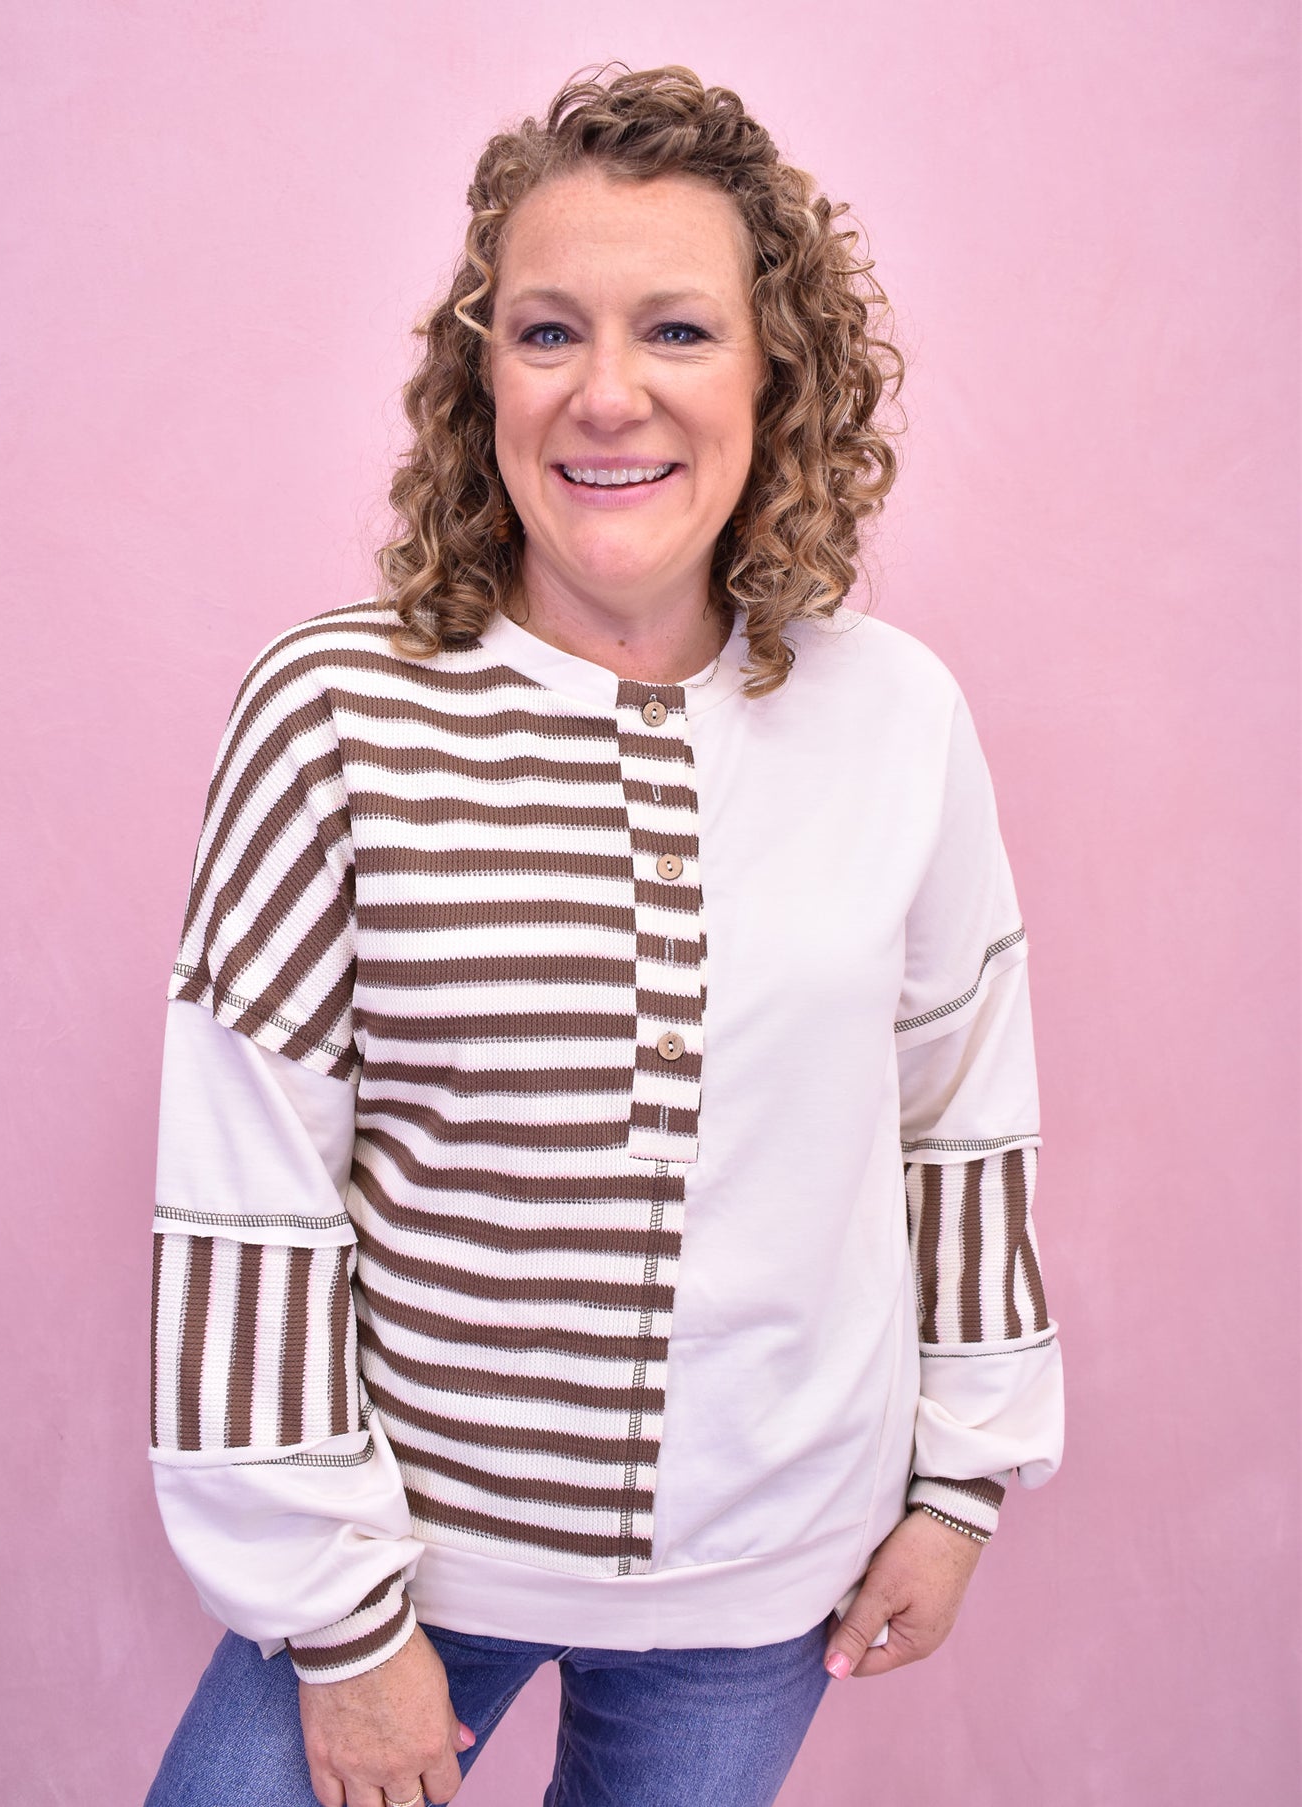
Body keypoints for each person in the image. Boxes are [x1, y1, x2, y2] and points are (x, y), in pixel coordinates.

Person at [143, 64, 1063, 1807]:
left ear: (778, 373)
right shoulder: (333, 708)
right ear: (477, 375)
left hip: (762, 1591)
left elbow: (958, 1116)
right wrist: (336, 1629)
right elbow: (244, 1185)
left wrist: (960, 1486)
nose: (606, 392)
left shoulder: (898, 714)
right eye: (546, 331)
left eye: (679, 332)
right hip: (403, 1572)